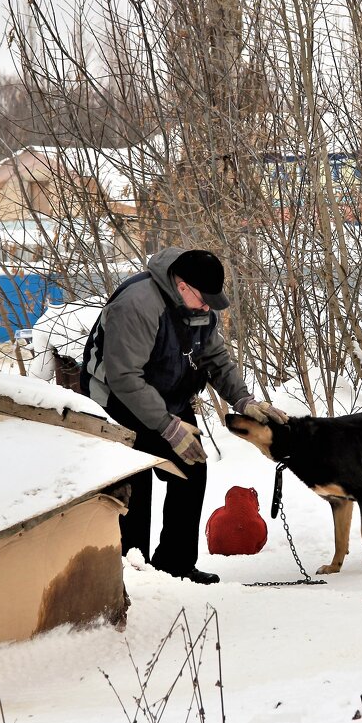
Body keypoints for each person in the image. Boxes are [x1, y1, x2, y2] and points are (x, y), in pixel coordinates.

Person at [80, 247, 287, 584]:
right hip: (116, 401)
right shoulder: (137, 305)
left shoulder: (200, 309)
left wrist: (243, 400)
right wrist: (166, 426)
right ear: (182, 286)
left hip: (166, 396)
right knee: (136, 480)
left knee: (192, 468)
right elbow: (125, 378)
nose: (207, 306)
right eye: (203, 298)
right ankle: (134, 572)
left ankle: (175, 566)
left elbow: (214, 357)